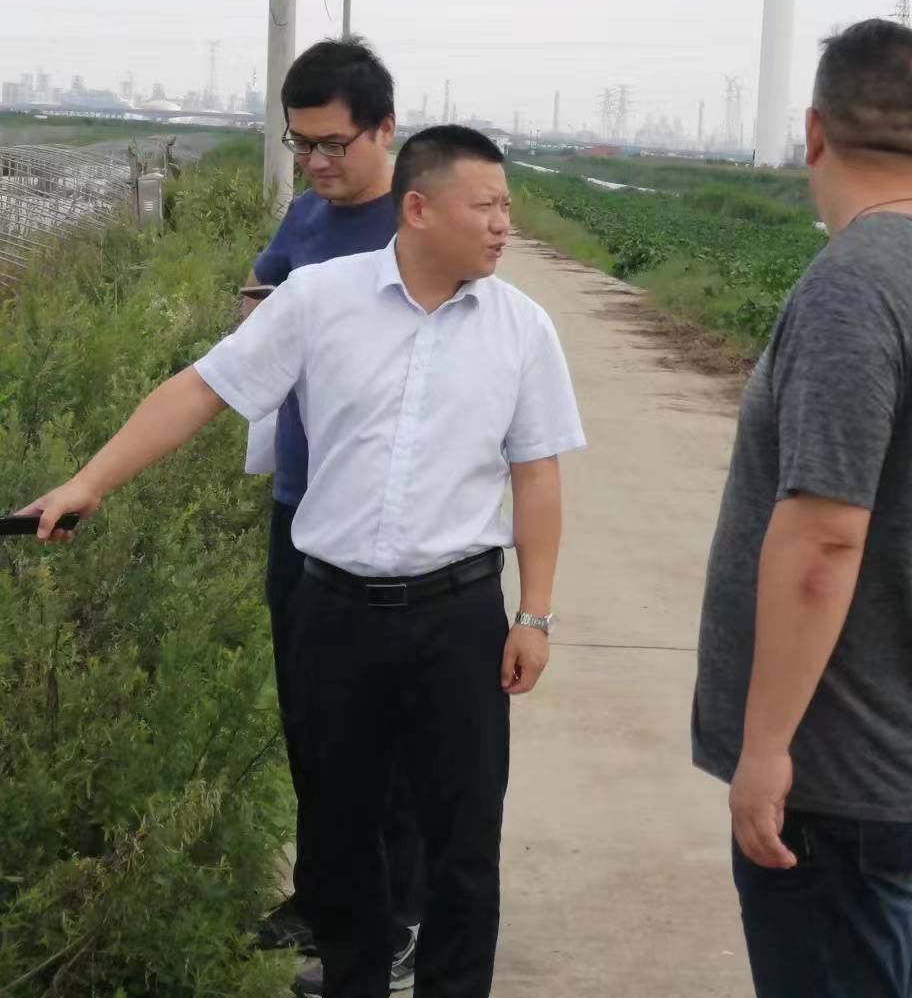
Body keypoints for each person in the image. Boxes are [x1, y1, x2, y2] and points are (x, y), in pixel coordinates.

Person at [26, 125, 586, 998]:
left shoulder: (522, 328)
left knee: (464, 845)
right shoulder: (320, 300)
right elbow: (202, 389)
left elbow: (537, 474)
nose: (502, 224)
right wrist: (89, 481)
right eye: (485, 206)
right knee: (338, 835)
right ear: (418, 208)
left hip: (459, 618)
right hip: (335, 615)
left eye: (505, 206)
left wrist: (535, 615)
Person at [690, 19, 912, 998]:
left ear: (812, 132)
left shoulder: (853, 287)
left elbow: (823, 539)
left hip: (835, 781)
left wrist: (765, 748)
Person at [242, 38, 424, 990]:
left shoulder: (420, 222)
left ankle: (395, 918)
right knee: (310, 715)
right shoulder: (308, 213)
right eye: (300, 142)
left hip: (386, 523)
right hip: (300, 502)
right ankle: (323, 894)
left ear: (385, 130)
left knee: (384, 731)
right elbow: (262, 290)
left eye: (332, 144)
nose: (314, 162)